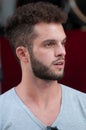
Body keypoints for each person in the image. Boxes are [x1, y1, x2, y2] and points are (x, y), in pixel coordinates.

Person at [0, 1, 86, 130]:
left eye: (63, 43)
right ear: (23, 54)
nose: (62, 52)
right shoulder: (3, 113)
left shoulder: (83, 105)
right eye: (49, 44)